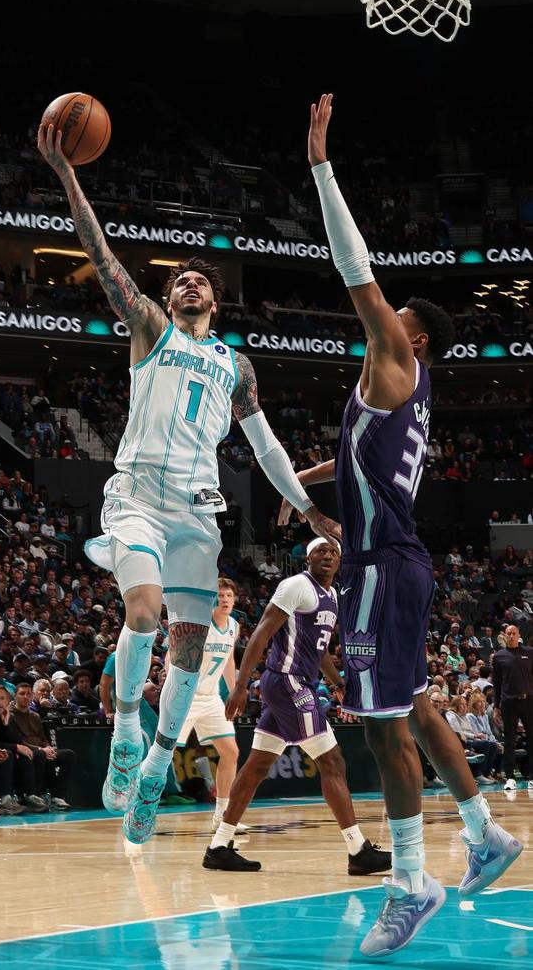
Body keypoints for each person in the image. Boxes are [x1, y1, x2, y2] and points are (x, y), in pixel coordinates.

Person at [38, 122, 337, 845]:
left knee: (189, 649)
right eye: (179, 280)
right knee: (143, 613)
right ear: (168, 299)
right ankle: (125, 732)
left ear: (216, 302)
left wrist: (308, 508)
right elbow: (101, 255)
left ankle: (154, 771)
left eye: (199, 280)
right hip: (139, 497)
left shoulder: (237, 367)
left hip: (198, 514)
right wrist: (66, 173)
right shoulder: (151, 328)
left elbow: (265, 447)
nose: (189, 283)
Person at [278, 94, 522, 957]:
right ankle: (486, 832)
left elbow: (354, 267)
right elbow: (359, 461)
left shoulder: (394, 358)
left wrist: (320, 166)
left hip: (381, 566)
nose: (385, 321)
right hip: (396, 560)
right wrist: (306, 477)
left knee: (383, 729)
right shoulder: (399, 396)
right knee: (415, 707)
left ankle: (410, 880)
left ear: (411, 338)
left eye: (398, 320)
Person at [203, 540, 390, 876]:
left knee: (257, 766)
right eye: (321, 551)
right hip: (288, 682)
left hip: (296, 683)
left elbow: (319, 651)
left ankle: (219, 846)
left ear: (340, 560)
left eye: (333, 552)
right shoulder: (295, 586)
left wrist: (338, 682)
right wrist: (240, 686)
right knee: (332, 761)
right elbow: (262, 633)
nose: (328, 555)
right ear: (308, 558)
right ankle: (357, 850)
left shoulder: (332, 596)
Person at [174, 578, 246, 833]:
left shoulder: (234, 626)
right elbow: (174, 654)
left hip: (212, 697)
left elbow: (229, 660)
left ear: (234, 600)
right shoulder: (199, 625)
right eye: (220, 595)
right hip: (187, 696)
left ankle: (222, 816)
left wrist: (235, 691)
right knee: (163, 752)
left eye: (229, 595)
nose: (225, 600)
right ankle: (138, 804)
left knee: (231, 752)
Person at [10, 681, 74, 809]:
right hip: (23, 751)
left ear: (32, 696)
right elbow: (17, 741)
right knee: (40, 754)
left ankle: (58, 796)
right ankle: (36, 795)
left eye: (28, 694)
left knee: (68, 754)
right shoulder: (10, 716)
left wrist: (48, 748)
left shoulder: (35, 716)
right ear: (15, 696)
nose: (25, 697)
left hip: (41, 749)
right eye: (22, 694)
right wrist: (41, 749)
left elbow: (42, 738)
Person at [492, 624, 533, 791]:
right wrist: (496, 706)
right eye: (508, 633)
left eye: (514, 633)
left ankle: (532, 777)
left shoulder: (530, 652)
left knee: (532, 738)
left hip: (529, 700)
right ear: (504, 635)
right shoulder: (498, 656)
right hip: (509, 702)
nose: (511, 636)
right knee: (509, 740)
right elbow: (497, 683)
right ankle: (510, 777)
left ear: (519, 635)